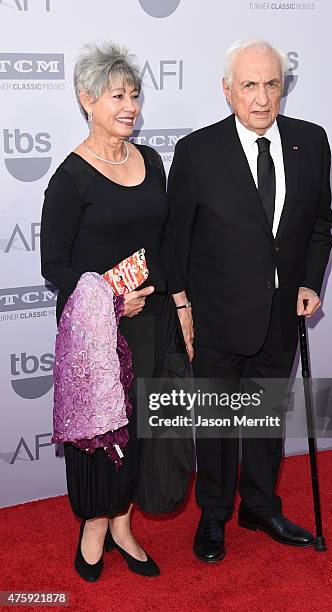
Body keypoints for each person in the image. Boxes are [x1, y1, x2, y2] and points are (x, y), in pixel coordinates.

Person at [167, 38, 332, 563]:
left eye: (271, 84)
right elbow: (177, 241)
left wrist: (309, 282)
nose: (261, 98)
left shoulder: (312, 142)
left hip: (281, 315)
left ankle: (260, 506)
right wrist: (182, 308)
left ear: (283, 88)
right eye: (248, 85)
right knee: (216, 425)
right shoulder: (197, 152)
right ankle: (213, 514)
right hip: (216, 319)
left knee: (264, 419)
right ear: (227, 91)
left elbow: (320, 226)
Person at [40, 42, 191, 581]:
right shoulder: (71, 177)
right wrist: (106, 299)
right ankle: (93, 528)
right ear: (86, 100)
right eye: (116, 96)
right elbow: (52, 264)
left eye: (134, 94)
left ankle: (124, 525)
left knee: (142, 431)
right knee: (99, 434)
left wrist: (180, 303)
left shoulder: (150, 160)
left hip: (149, 323)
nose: (130, 105)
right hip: (95, 333)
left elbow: (165, 244)